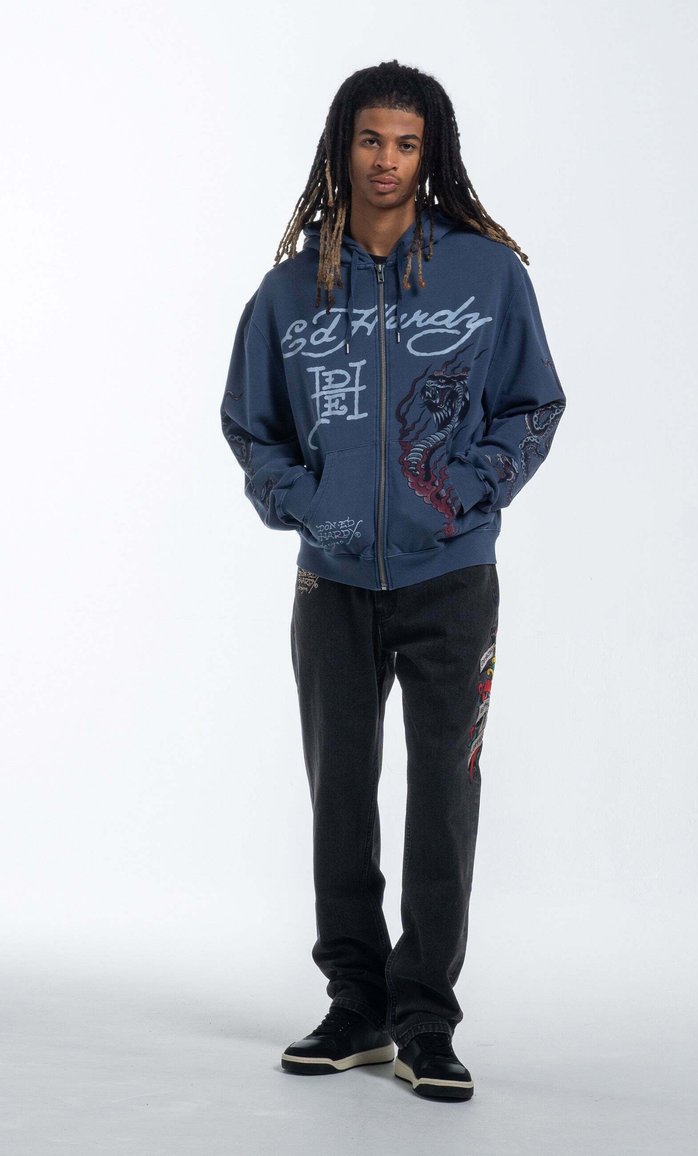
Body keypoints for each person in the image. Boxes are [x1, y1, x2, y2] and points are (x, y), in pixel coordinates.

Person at [221, 59, 566, 1102]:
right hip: (330, 586)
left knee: (442, 799)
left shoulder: (485, 274)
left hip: (451, 581)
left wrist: (466, 488)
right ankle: (356, 1007)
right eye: (370, 140)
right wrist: (302, 501)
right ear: (343, 147)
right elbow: (249, 425)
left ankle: (424, 1019)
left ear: (430, 154)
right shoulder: (288, 292)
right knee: (339, 797)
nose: (386, 160)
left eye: (406, 144)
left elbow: (533, 404)